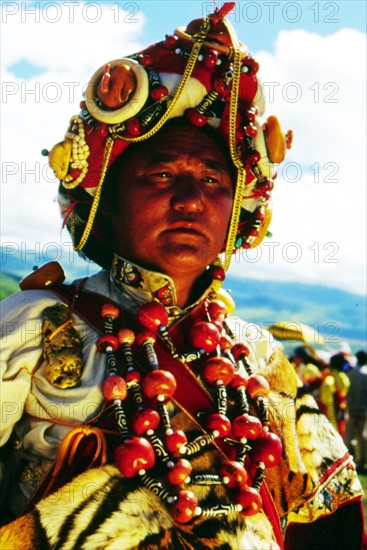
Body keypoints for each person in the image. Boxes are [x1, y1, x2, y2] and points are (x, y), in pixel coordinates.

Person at [0, 3, 365, 549]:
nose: (191, 200)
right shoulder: (34, 324)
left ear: (234, 211)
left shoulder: (260, 358)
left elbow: (326, 517)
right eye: (163, 173)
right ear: (110, 204)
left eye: (214, 180)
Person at [345, 350, 367, 473]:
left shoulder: (351, 373)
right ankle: (362, 460)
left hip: (351, 407)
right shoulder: (366, 374)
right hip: (363, 408)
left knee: (349, 434)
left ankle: (346, 458)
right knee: (362, 435)